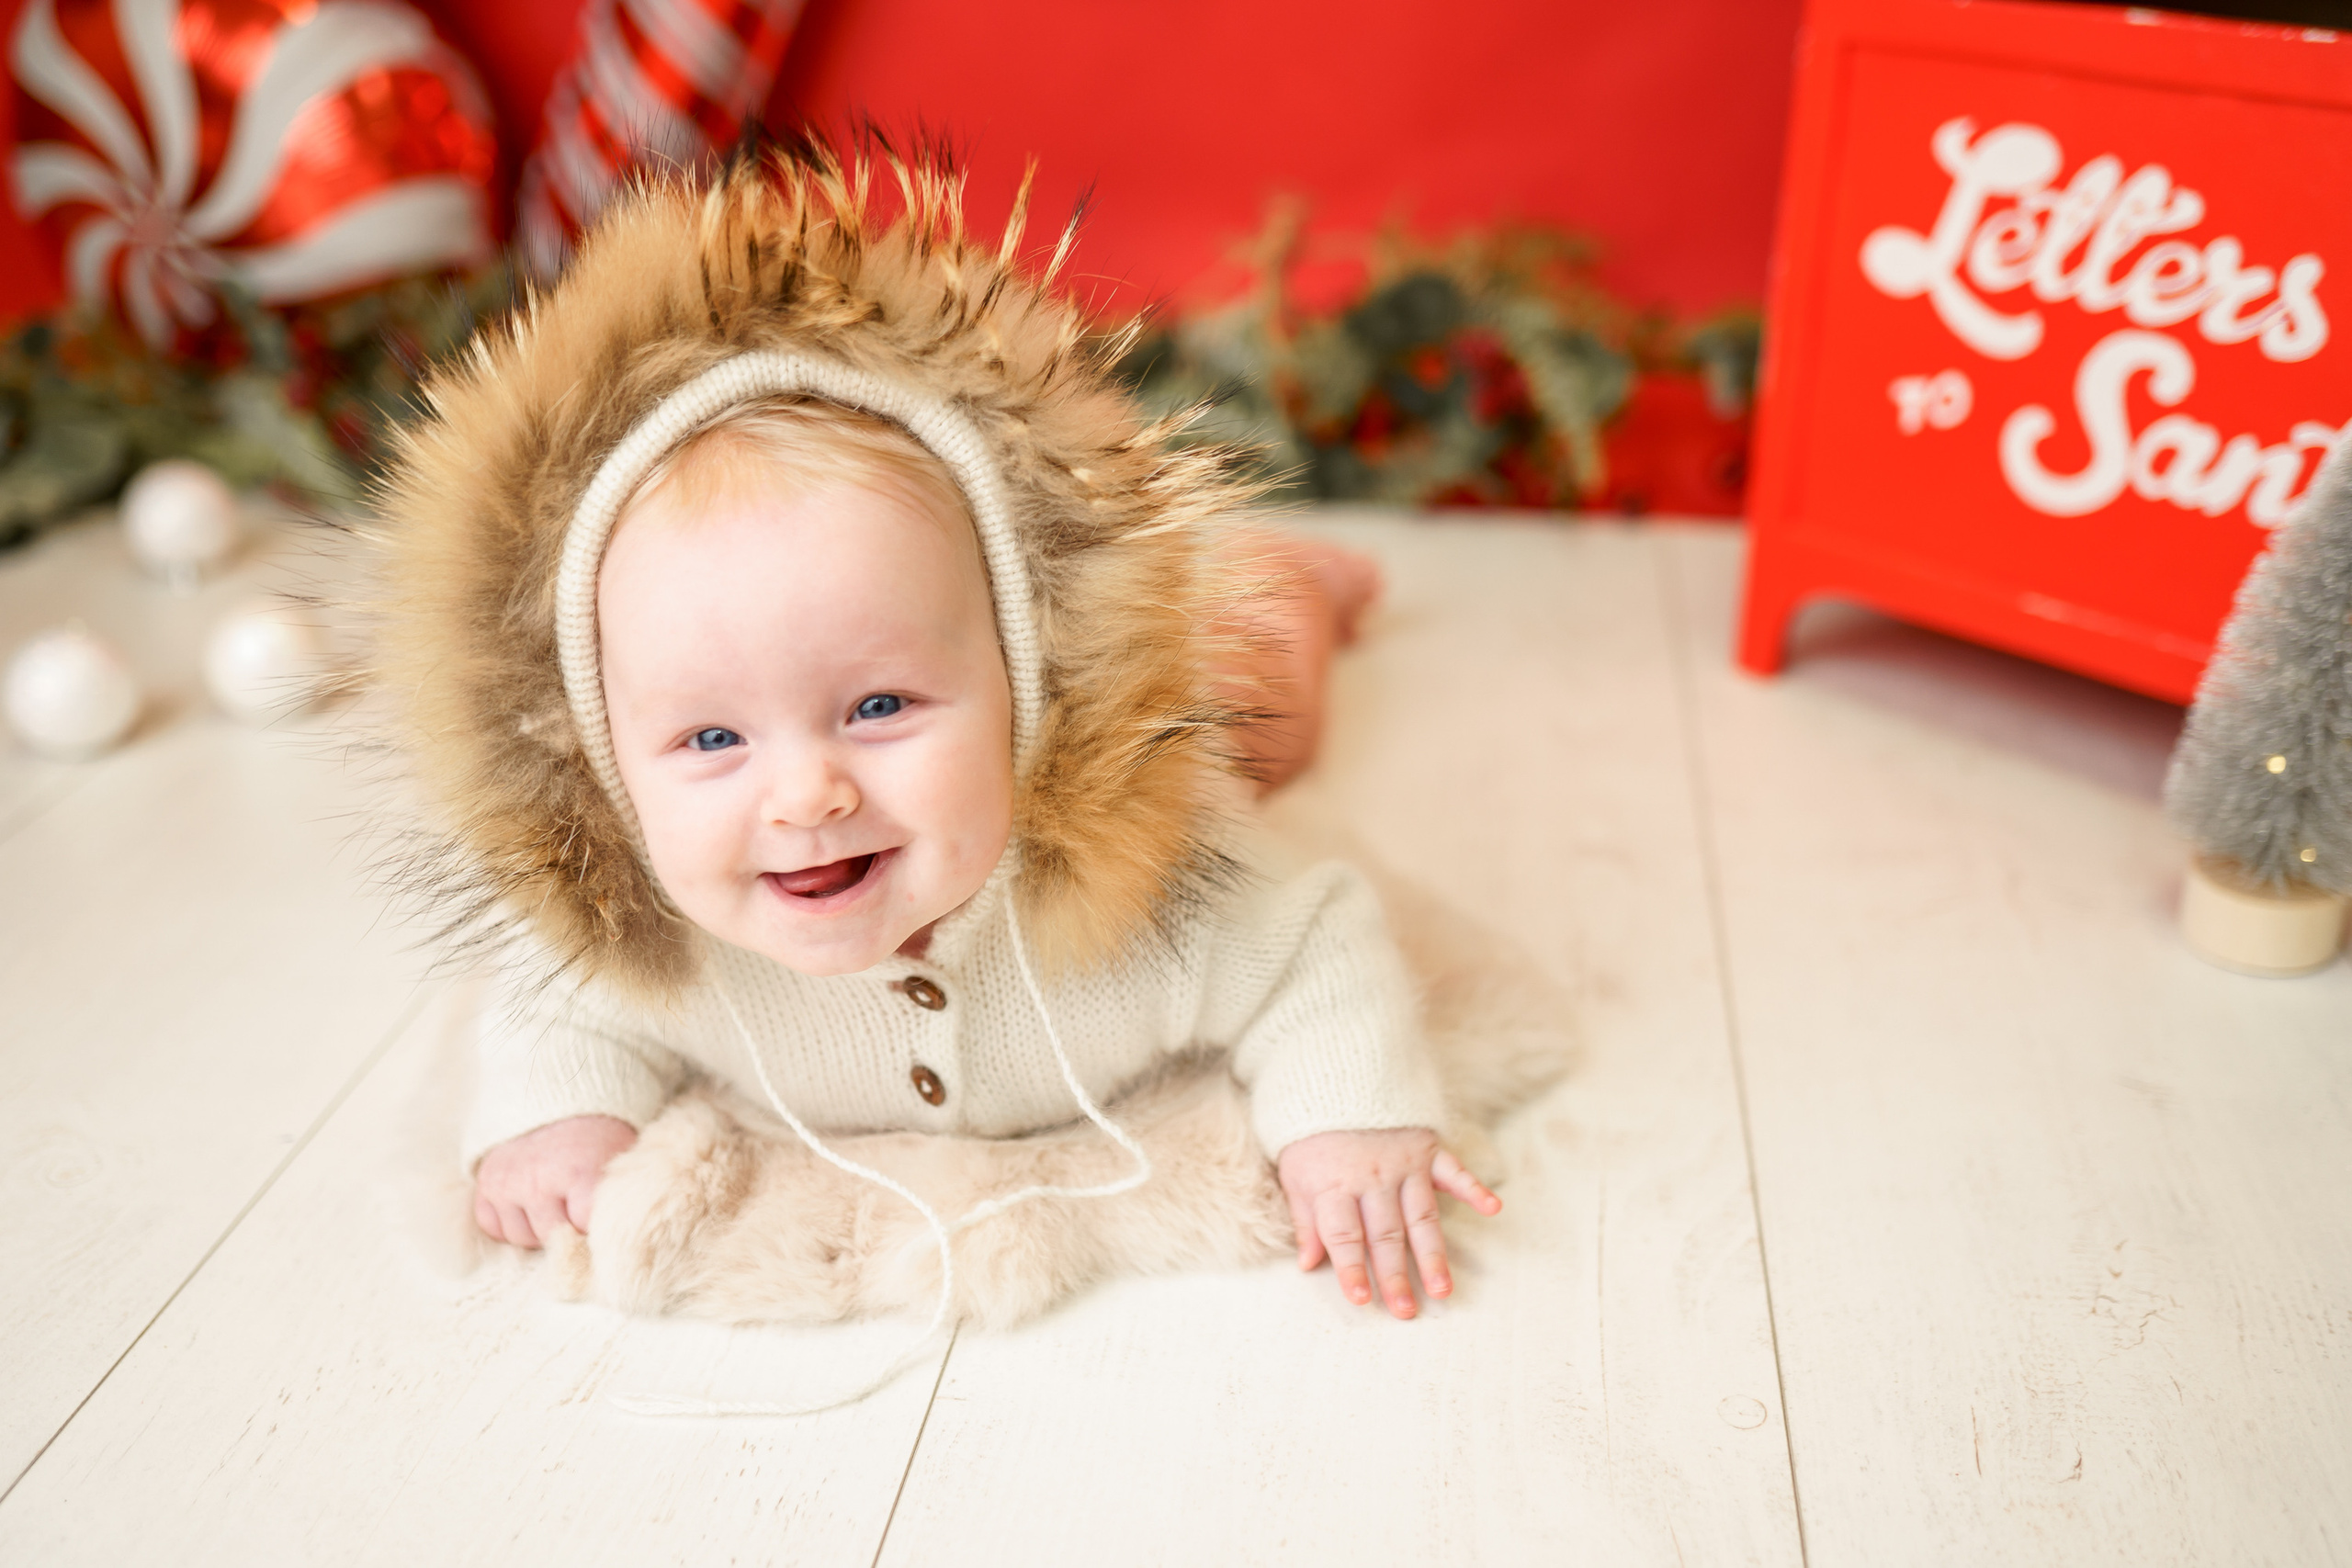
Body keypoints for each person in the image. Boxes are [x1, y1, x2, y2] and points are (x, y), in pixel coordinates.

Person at [368, 144, 1499, 1324]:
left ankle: (1287, 586)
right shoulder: (654, 943)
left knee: (1264, 703)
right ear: (604, 768)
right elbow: (553, 1009)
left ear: (1027, 683)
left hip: (1201, 701)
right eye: (712, 739)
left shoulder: (1158, 898)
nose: (806, 795)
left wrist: (1347, 1122)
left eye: (877, 707)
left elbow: (1313, 949)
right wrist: (554, 1116)